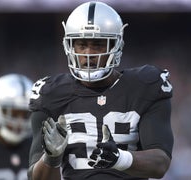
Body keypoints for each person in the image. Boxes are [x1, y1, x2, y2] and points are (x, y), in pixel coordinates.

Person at [27, 1, 174, 180]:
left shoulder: (145, 86)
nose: (89, 54)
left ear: (116, 45)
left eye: (98, 44)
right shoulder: (49, 94)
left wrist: (120, 159)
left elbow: (160, 164)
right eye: (81, 44)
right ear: (69, 46)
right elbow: (37, 178)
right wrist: (51, 158)